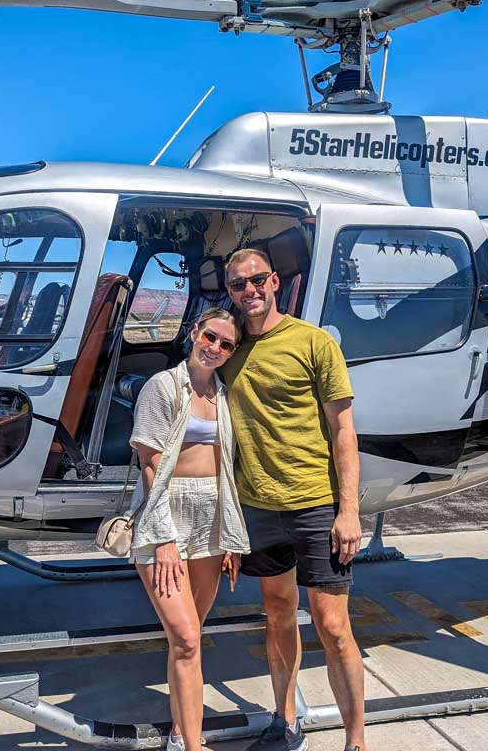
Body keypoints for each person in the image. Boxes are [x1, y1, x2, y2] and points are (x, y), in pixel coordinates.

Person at [221, 249, 364, 751]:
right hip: (258, 507)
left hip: (313, 504)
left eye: (257, 280)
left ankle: (355, 740)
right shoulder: (228, 348)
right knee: (278, 613)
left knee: (332, 625)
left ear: (275, 281)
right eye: (238, 285)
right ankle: (285, 722)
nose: (249, 291)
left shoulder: (313, 342)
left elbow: (343, 430)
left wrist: (349, 511)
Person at [129, 308, 251, 751]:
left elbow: (225, 470)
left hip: (210, 518)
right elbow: (150, 464)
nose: (215, 348)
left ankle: (181, 733)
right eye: (210, 337)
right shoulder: (163, 387)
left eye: (225, 344)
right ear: (194, 332)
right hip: (167, 515)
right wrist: (163, 539)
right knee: (183, 637)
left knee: (189, 641)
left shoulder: (222, 394)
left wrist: (230, 539)